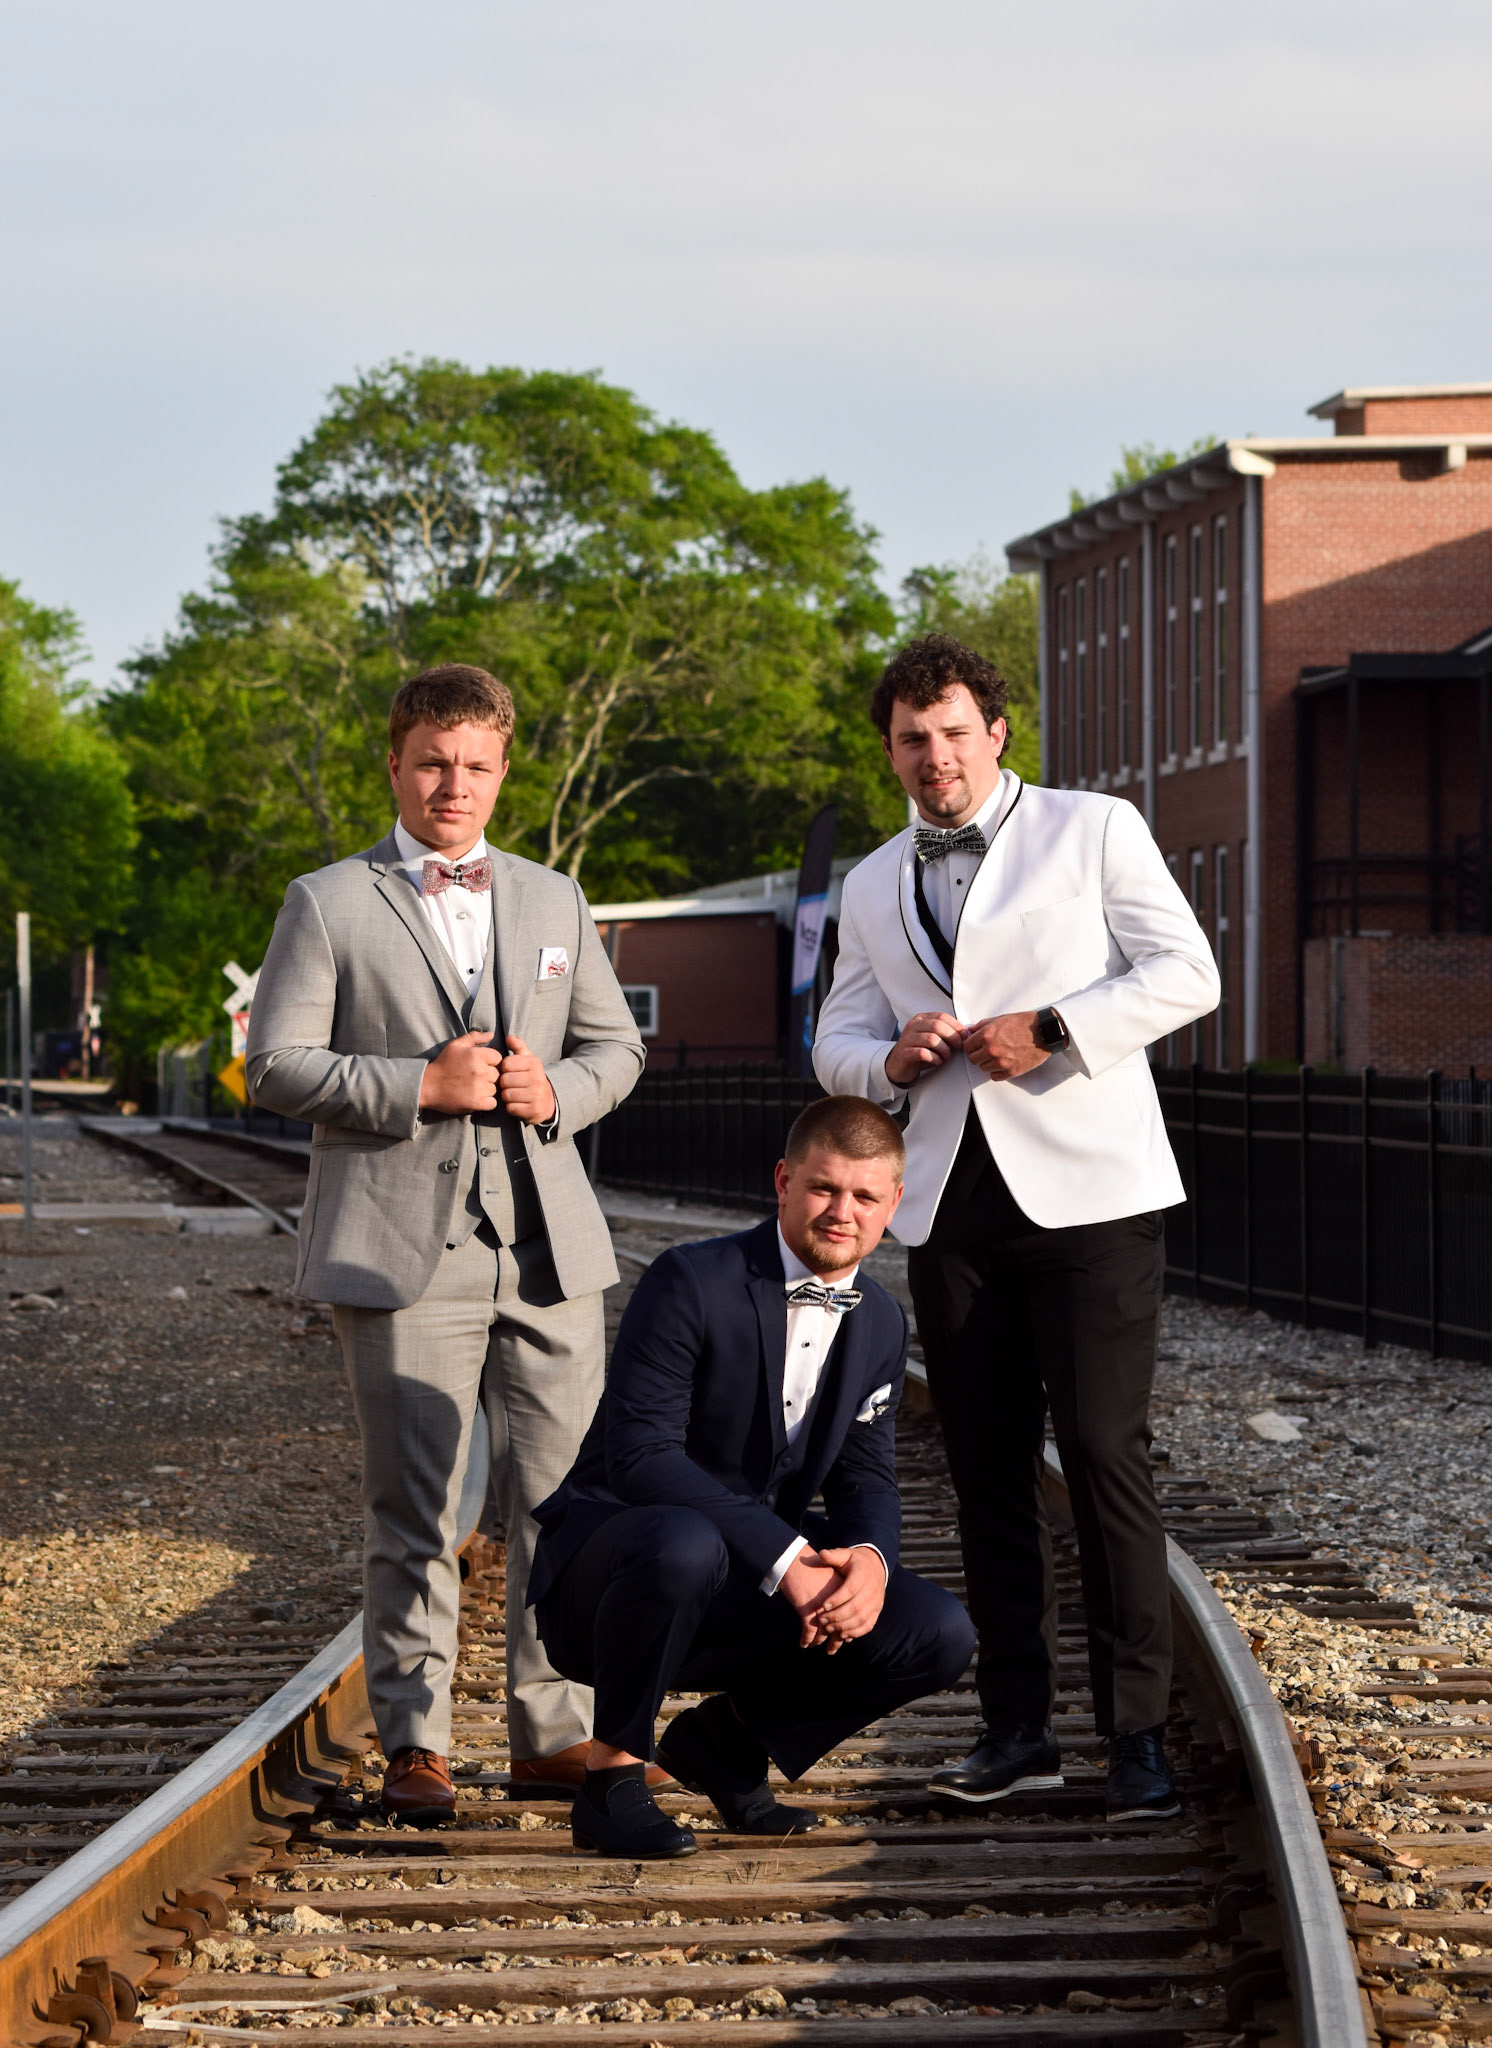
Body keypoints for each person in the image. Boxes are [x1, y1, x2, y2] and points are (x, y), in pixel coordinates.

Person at [813, 633, 1220, 1821]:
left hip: (1092, 1196)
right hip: (948, 1201)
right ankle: (1017, 1729)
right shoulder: (869, 881)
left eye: (952, 732)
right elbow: (834, 1038)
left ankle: (1135, 1738)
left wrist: (1049, 1025)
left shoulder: (1092, 827)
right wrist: (886, 1060)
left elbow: (1185, 971)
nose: (933, 755)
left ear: (995, 733)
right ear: (889, 750)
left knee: (1099, 1455)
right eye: (911, 739)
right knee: (985, 1471)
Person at [246, 663, 646, 1825]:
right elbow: (273, 1064)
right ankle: (417, 1742)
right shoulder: (327, 900)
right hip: (398, 1248)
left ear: (503, 771)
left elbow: (616, 1050)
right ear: (395, 764)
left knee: (566, 1502)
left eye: (474, 765)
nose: (452, 785)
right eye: (431, 762)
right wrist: (419, 1082)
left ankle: (553, 1734)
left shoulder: (555, 898)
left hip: (550, 1247)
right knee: (418, 1508)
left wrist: (556, 1090)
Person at [527, 1096, 976, 1859]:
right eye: (824, 1188)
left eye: (864, 1196)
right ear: (784, 1181)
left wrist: (869, 1562)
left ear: (895, 1203)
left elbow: (866, 1478)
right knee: (685, 1540)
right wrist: (788, 1557)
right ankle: (610, 1784)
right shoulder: (690, 1280)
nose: (842, 1213)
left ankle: (727, 1742)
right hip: (615, 1578)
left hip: (743, 1580)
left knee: (936, 1630)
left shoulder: (879, 1320)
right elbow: (641, 1455)